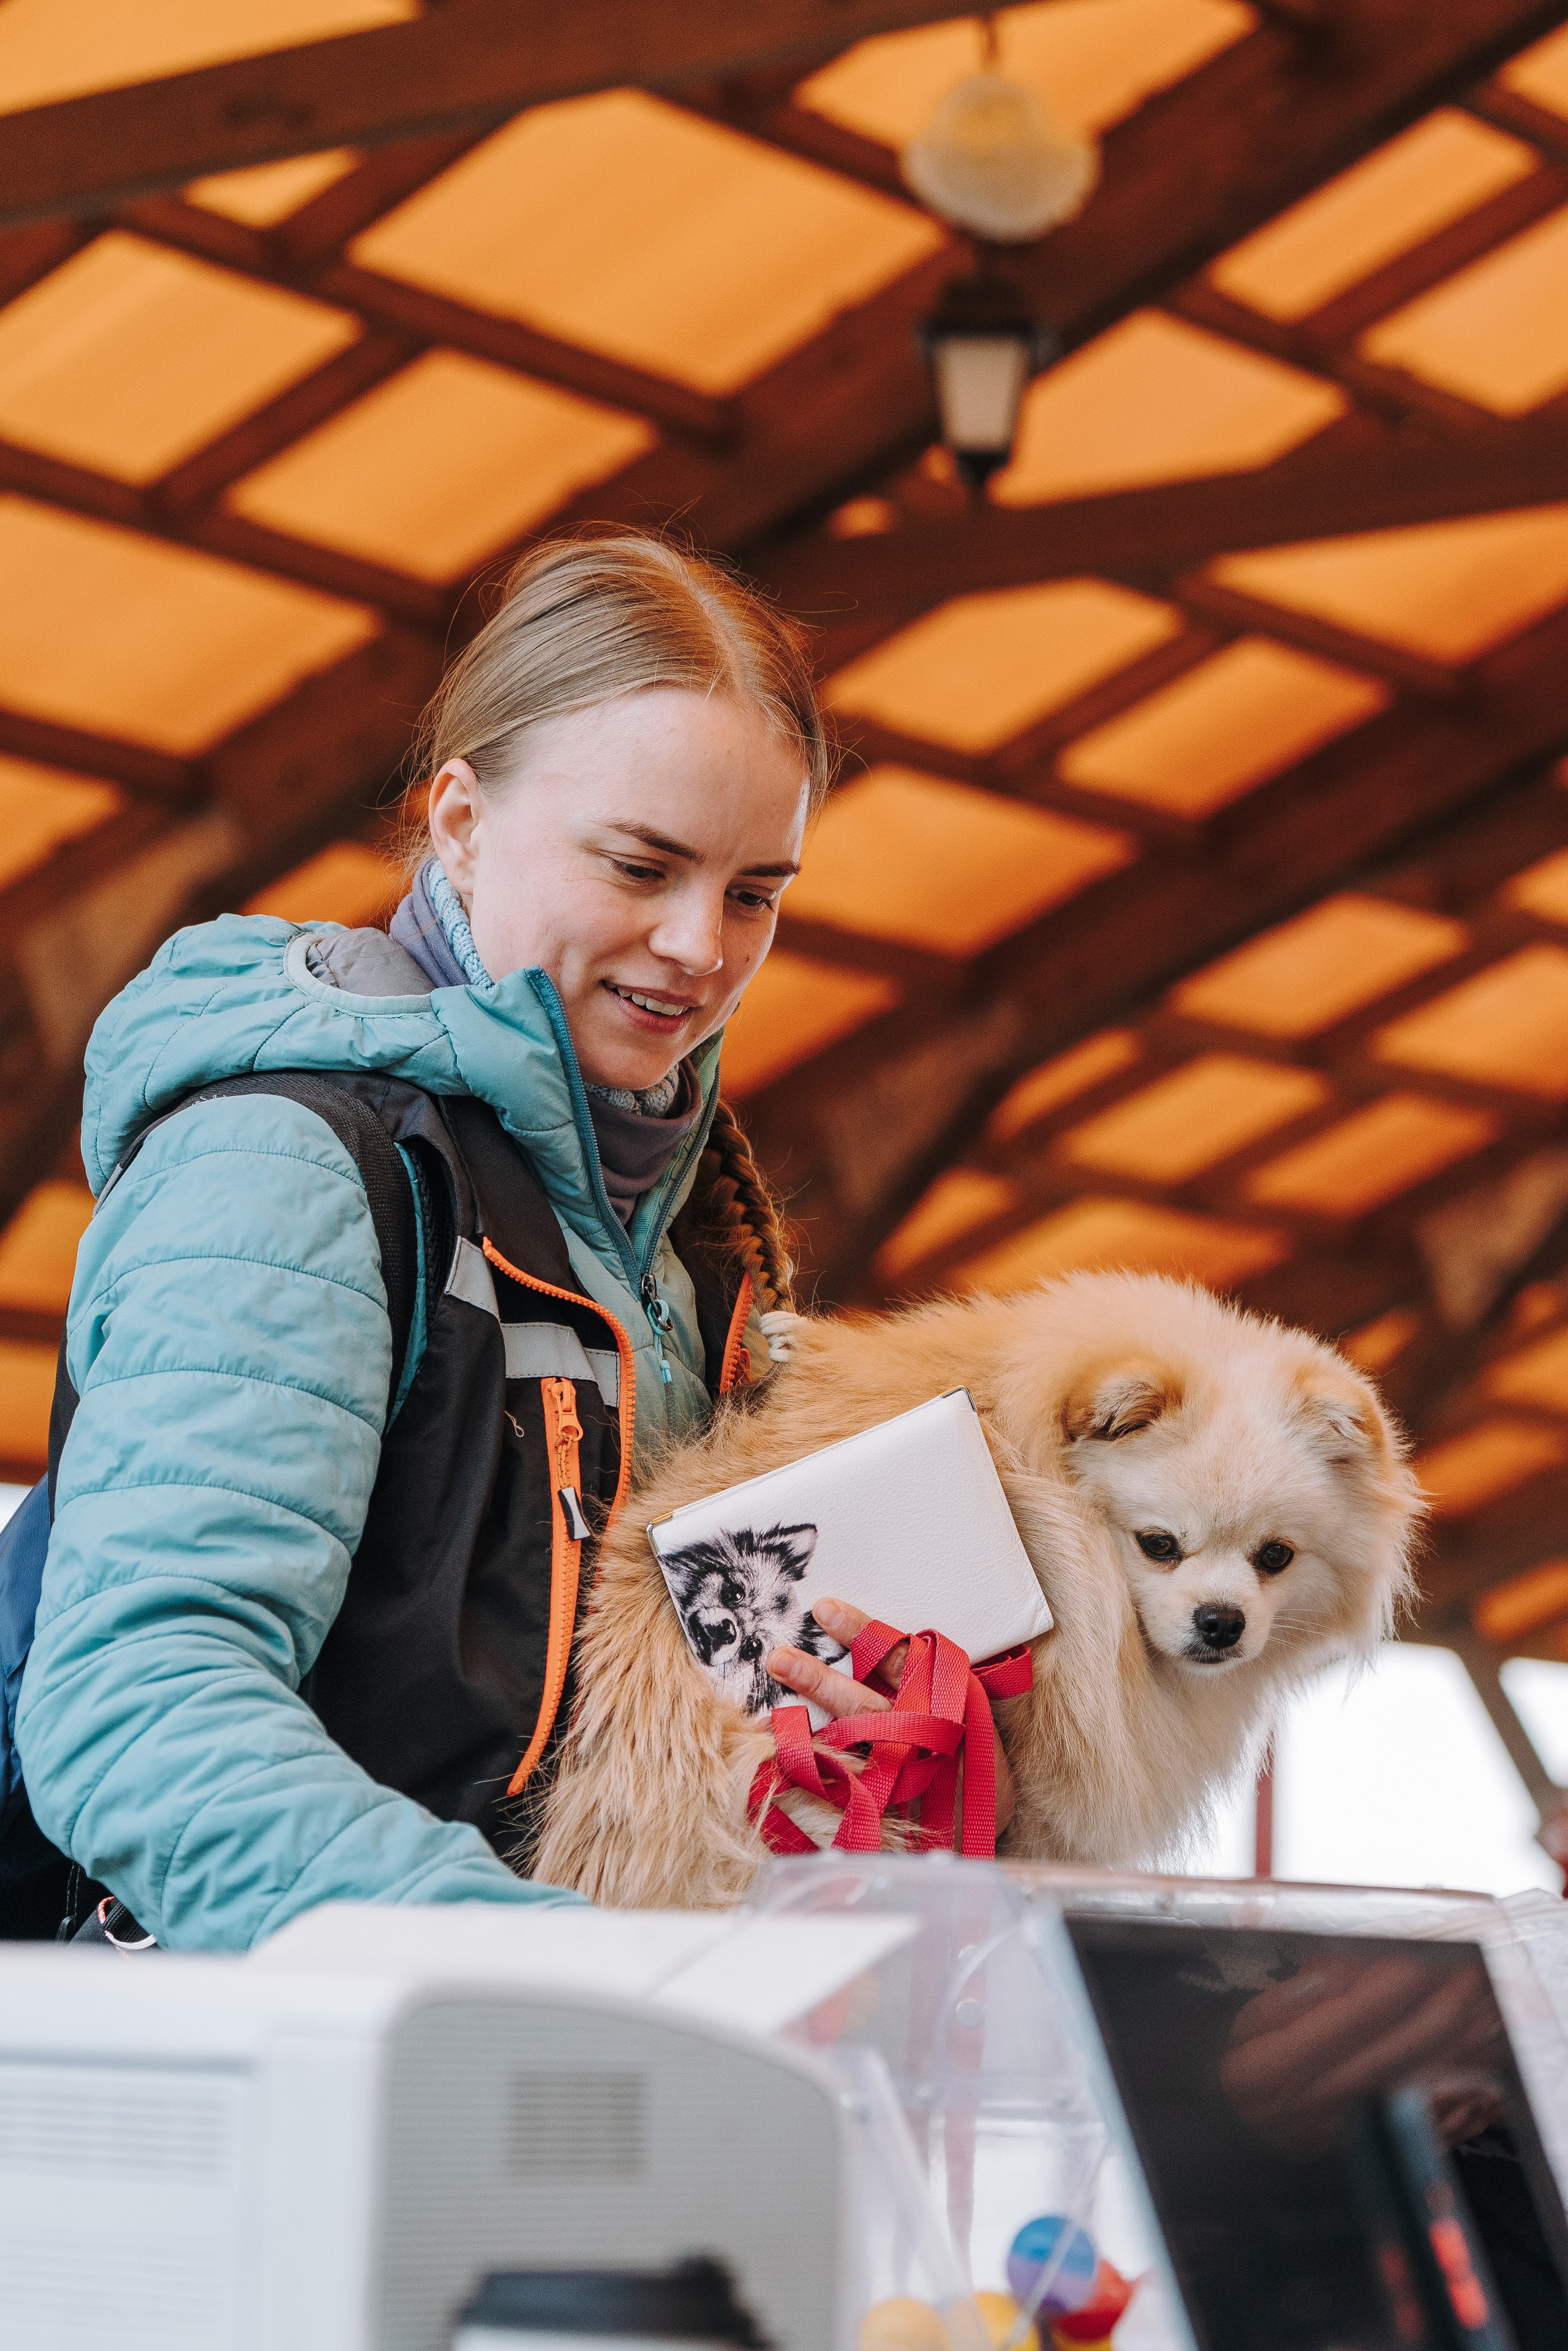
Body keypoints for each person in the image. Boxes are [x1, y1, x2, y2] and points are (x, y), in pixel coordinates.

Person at [14, 530, 1011, 1953]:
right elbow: (143, 1697)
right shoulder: (290, 1165)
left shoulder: (696, 1256)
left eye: (753, 892)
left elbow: (612, 1726)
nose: (697, 945)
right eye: (640, 864)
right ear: (461, 822)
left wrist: (818, 1748)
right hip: (320, 2072)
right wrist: (540, 1968)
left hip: (574, 2083)